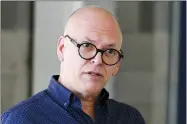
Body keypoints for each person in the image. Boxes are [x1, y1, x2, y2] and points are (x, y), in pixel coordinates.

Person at [1, 6, 145, 124]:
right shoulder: (22, 119)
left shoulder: (129, 118)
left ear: (117, 65)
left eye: (109, 51)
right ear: (62, 48)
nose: (98, 60)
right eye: (87, 45)